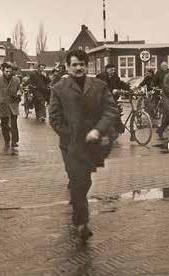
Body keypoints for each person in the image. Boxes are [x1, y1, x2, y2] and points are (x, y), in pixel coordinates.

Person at [49, 49, 119, 242]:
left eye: (82, 64)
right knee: (78, 180)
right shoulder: (59, 88)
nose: (78, 68)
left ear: (86, 66)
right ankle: (81, 222)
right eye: (74, 65)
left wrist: (98, 130)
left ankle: (77, 210)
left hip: (93, 144)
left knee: (85, 180)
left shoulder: (99, 86)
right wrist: (70, 135)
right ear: (67, 66)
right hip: (71, 146)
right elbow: (54, 118)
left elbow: (111, 110)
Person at [0, 63, 22, 154]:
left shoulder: (16, 80)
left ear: (12, 71)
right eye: (6, 71)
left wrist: (19, 93)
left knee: (14, 123)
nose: (8, 73)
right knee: (4, 124)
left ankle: (14, 141)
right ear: (3, 71)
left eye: (10, 71)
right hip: (3, 105)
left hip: (13, 104)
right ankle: (6, 141)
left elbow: (19, 89)